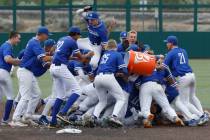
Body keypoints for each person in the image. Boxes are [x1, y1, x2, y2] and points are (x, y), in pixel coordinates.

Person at [49, 26, 94, 128]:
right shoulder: (72, 42)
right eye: (79, 35)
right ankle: (63, 112)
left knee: (60, 95)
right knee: (77, 90)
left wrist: (76, 58)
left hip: (53, 67)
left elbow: (60, 54)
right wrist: (89, 54)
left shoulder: (62, 39)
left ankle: (53, 121)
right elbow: (82, 58)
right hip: (61, 67)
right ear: (76, 34)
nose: (79, 37)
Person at [11, 26, 52, 127]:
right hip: (24, 71)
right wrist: (58, 56)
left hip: (28, 72)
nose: (47, 37)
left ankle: (27, 116)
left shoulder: (35, 43)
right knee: (25, 96)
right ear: (42, 34)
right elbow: (44, 58)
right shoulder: (34, 42)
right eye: (46, 35)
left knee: (37, 94)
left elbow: (44, 56)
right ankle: (15, 119)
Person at [163, 35, 209, 125]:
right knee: (193, 97)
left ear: (171, 43)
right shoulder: (183, 51)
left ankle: (200, 116)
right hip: (192, 75)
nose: (167, 44)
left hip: (183, 78)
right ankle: (202, 114)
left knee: (183, 102)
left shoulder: (171, 53)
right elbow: (181, 65)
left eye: (167, 42)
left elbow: (164, 66)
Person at [91, 39, 128, 127]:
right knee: (121, 99)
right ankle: (114, 116)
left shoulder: (104, 54)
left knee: (102, 101)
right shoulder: (117, 54)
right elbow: (124, 69)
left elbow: (101, 67)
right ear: (116, 47)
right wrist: (127, 74)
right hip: (108, 77)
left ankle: (94, 117)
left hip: (98, 77)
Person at [0, 31, 21, 125]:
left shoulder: (6, 46)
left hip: (1, 72)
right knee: (10, 97)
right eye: (18, 38)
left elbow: (12, 61)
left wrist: (18, 61)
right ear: (13, 37)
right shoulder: (7, 46)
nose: (19, 40)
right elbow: (7, 59)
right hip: (3, 73)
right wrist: (21, 61)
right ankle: (4, 120)